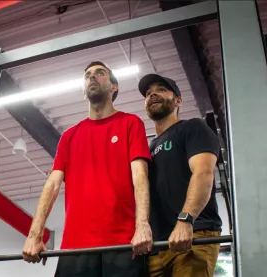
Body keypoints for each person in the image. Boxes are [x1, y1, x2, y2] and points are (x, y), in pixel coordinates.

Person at [22, 61, 153, 277]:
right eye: (88, 75)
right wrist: (35, 234)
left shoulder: (131, 123)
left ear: (114, 87)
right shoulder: (69, 136)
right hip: (75, 248)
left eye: (100, 73)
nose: (92, 77)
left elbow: (140, 176)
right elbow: (53, 184)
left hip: (123, 243)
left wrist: (142, 225)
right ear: (84, 90)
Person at [139, 74, 223, 277]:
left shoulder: (192, 127)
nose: (153, 95)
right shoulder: (147, 149)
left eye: (161, 89)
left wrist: (186, 220)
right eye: (149, 93)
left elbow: (203, 172)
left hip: (194, 234)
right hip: (156, 245)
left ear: (178, 100)